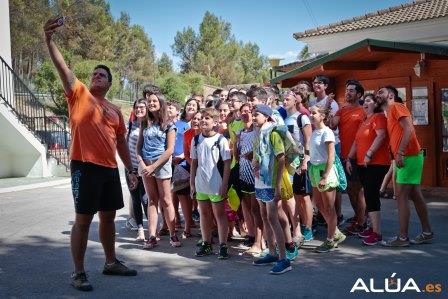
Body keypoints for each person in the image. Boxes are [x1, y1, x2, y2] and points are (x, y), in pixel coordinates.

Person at [44, 18, 138, 292]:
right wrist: (49, 41)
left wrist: (130, 169)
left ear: (109, 83)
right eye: (94, 73)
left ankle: (110, 262)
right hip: (84, 166)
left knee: (108, 217)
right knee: (83, 219)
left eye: (102, 75)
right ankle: (78, 272)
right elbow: (63, 68)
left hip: (109, 169)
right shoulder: (79, 93)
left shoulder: (115, 110)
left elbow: (120, 141)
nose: (96, 76)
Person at [376, 86, 434, 247]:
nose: (377, 94)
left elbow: (409, 128)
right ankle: (427, 232)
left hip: (408, 156)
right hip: (409, 157)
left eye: (381, 92)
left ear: (391, 95)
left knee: (401, 196)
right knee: (415, 195)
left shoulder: (396, 106)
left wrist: (400, 152)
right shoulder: (389, 113)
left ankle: (402, 238)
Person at [136, 92, 181, 249]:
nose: (151, 103)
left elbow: (169, 150)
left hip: (161, 166)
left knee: (166, 200)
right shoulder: (144, 123)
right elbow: (138, 147)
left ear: (161, 103)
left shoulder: (169, 125)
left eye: (154, 101)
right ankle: (152, 236)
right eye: (149, 101)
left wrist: (153, 167)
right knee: (152, 200)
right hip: (146, 167)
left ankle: (172, 233)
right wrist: (142, 164)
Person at [251, 105, 292, 275]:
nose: (253, 118)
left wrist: (278, 185)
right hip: (260, 181)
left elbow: (281, 159)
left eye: (257, 115)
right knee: (265, 217)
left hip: (271, 183)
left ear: (267, 116)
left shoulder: (273, 133)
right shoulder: (259, 134)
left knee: (273, 219)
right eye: (253, 115)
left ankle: (284, 259)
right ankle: (272, 253)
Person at [346, 93, 390, 245]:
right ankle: (372, 228)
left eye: (368, 100)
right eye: (363, 101)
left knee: (371, 195)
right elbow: (357, 142)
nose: (365, 103)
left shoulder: (378, 118)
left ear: (375, 104)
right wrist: (349, 159)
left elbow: (381, 135)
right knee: (368, 195)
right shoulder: (365, 120)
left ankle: (377, 233)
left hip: (376, 163)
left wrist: (369, 154)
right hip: (362, 164)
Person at [190, 108, 232, 259]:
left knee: (219, 215)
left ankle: (223, 245)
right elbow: (194, 163)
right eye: (202, 118)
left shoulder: (221, 140)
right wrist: (192, 183)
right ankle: (206, 244)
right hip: (201, 183)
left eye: (207, 118)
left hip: (216, 183)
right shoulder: (195, 140)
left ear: (215, 122)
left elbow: (227, 163)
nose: (203, 121)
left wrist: (225, 184)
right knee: (204, 214)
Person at [308, 105, 346, 253]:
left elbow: (331, 156)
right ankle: (335, 233)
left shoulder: (327, 132)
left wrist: (325, 176)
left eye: (314, 113)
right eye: (310, 113)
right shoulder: (314, 132)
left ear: (322, 116)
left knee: (329, 208)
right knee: (319, 204)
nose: (311, 115)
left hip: (325, 171)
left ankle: (330, 240)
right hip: (314, 169)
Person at [330, 80, 366, 234]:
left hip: (360, 156)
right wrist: (327, 106)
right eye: (347, 90)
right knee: (351, 190)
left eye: (351, 90)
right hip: (346, 156)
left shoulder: (363, 110)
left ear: (359, 94)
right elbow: (332, 125)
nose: (347, 93)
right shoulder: (342, 110)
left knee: (358, 190)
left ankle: (361, 222)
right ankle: (360, 218)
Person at [282, 90, 313, 244]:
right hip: (289, 162)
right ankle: (299, 226)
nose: (285, 102)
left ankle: (308, 228)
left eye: (288, 99)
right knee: (294, 196)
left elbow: (308, 140)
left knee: (304, 196)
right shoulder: (285, 119)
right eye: (283, 99)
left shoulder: (302, 117)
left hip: (300, 160)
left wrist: (305, 160)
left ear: (295, 101)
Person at [234, 103, 263, 256]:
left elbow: (260, 150)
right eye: (242, 111)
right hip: (243, 173)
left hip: (256, 175)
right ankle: (253, 237)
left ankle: (260, 241)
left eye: (248, 111)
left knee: (257, 209)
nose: (245, 114)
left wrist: (253, 155)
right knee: (248, 208)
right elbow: (236, 154)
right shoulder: (239, 132)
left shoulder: (258, 130)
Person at [172, 98, 201, 238]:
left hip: (202, 170)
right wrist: (190, 163)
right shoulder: (185, 132)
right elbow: (186, 151)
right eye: (194, 119)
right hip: (184, 166)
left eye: (198, 118)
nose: (196, 121)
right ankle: (187, 227)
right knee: (182, 195)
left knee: (201, 198)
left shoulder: (207, 133)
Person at [126, 99, 150, 241]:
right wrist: (129, 167)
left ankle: (151, 228)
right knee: (135, 199)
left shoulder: (150, 125)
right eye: (137, 107)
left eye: (142, 107)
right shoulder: (131, 124)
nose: (139, 110)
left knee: (146, 199)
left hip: (145, 168)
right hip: (131, 168)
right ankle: (140, 229)